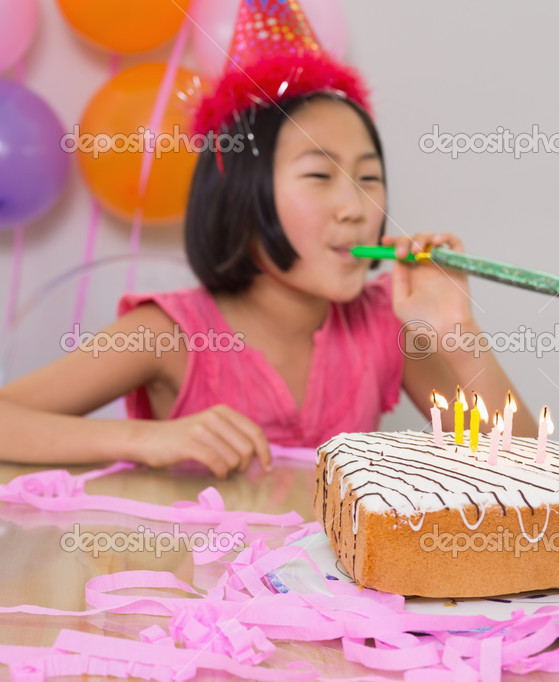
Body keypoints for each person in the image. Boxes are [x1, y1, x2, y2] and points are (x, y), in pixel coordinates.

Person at [0, 0, 531, 477]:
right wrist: (144, 439)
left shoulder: (385, 326)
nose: (356, 208)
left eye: (369, 178)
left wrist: (457, 333)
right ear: (240, 195)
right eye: (320, 177)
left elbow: (529, 477)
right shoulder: (168, 333)